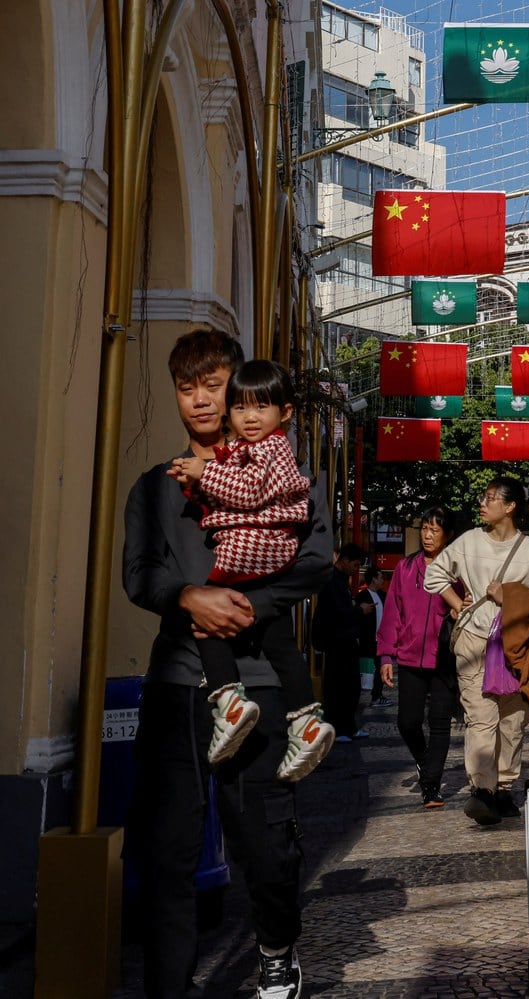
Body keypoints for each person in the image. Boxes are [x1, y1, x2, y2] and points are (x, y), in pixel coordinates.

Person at [123, 329, 331, 999]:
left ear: (240, 388)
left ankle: (276, 950)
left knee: (266, 843)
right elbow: (139, 574)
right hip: (179, 685)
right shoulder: (156, 488)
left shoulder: (291, 478)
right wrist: (188, 596)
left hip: (262, 684)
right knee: (165, 851)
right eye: (188, 388)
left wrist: (239, 603)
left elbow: (317, 561)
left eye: (215, 385)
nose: (202, 401)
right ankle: (168, 983)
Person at [162, 357, 333, 782]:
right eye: (240, 408)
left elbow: (247, 490)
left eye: (261, 407)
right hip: (262, 550)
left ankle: (229, 702)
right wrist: (194, 480)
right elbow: (221, 495)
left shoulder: (271, 449)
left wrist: (205, 473)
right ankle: (306, 721)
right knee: (277, 637)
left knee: (208, 619)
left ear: (285, 412)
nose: (249, 417)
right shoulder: (244, 449)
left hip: (254, 547)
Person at [424, 476, 529, 827]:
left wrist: (512, 596)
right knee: (480, 716)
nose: (482, 504)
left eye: (491, 499)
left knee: (514, 720)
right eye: (483, 497)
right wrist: (458, 603)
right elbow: (435, 575)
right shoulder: (469, 540)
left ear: (510, 506)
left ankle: (504, 786)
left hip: (517, 642)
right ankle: (483, 791)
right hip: (475, 638)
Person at [377, 506, 461, 807]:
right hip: (410, 657)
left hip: (444, 659)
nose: (427, 535)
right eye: (425, 528)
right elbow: (392, 614)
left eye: (435, 530)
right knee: (407, 723)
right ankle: (426, 763)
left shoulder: (457, 569)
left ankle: (431, 785)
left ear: (447, 534)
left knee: (440, 723)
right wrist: (386, 655)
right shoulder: (405, 568)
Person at [313, 544, 368, 743]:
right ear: (344, 560)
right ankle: (337, 727)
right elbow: (337, 613)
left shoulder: (340, 581)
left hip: (344, 639)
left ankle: (348, 726)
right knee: (338, 686)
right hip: (336, 640)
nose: (356, 569)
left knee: (351, 686)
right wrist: (360, 611)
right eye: (355, 564)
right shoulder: (332, 582)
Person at [356, 566, 390, 708]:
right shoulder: (362, 597)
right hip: (367, 639)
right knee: (363, 670)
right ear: (373, 579)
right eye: (380, 577)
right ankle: (357, 697)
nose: (382, 580)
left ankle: (377, 695)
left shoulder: (383, 595)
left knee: (380, 669)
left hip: (380, 640)